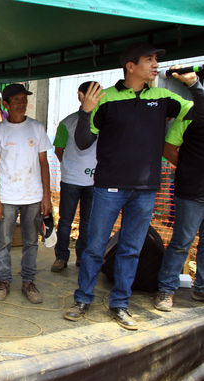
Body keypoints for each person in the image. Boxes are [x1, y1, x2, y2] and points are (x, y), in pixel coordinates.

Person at [65, 42, 204, 330]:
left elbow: (198, 113)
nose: (155, 65)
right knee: (94, 247)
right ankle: (83, 299)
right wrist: (87, 112)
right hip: (108, 188)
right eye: (149, 59)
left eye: (156, 59)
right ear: (131, 65)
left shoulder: (163, 97)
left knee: (131, 249)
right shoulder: (106, 99)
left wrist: (196, 86)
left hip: (145, 190)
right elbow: (82, 142)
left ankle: (120, 305)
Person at [0, 83, 52, 304]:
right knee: (3, 242)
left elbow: (44, 164)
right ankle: (3, 281)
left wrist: (46, 197)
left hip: (33, 196)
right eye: (17, 100)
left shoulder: (37, 128)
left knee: (32, 242)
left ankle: (28, 283)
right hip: (7, 197)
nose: (22, 104)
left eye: (24, 100)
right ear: (5, 104)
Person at [154, 85, 204, 311]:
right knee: (182, 243)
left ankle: (201, 288)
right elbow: (169, 147)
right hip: (191, 192)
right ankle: (166, 289)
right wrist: (188, 169)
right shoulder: (190, 112)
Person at [50, 81, 98, 272]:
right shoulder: (67, 123)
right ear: (80, 96)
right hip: (71, 180)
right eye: (92, 94)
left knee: (88, 222)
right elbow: (59, 150)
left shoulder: (103, 121)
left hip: (95, 182)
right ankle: (61, 257)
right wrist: (72, 167)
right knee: (65, 221)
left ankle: (82, 256)